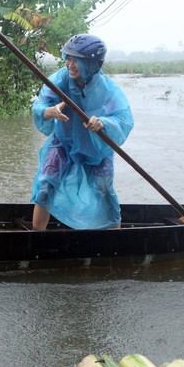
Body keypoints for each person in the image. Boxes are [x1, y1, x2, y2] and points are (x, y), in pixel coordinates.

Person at [31, 34, 134, 230]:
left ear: (91, 64)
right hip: (63, 143)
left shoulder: (108, 90)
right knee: (45, 184)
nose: (70, 64)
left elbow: (124, 119)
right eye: (68, 58)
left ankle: (116, 239)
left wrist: (103, 123)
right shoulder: (60, 80)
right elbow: (40, 104)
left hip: (96, 150)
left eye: (76, 60)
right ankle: (36, 237)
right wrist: (48, 112)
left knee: (103, 190)